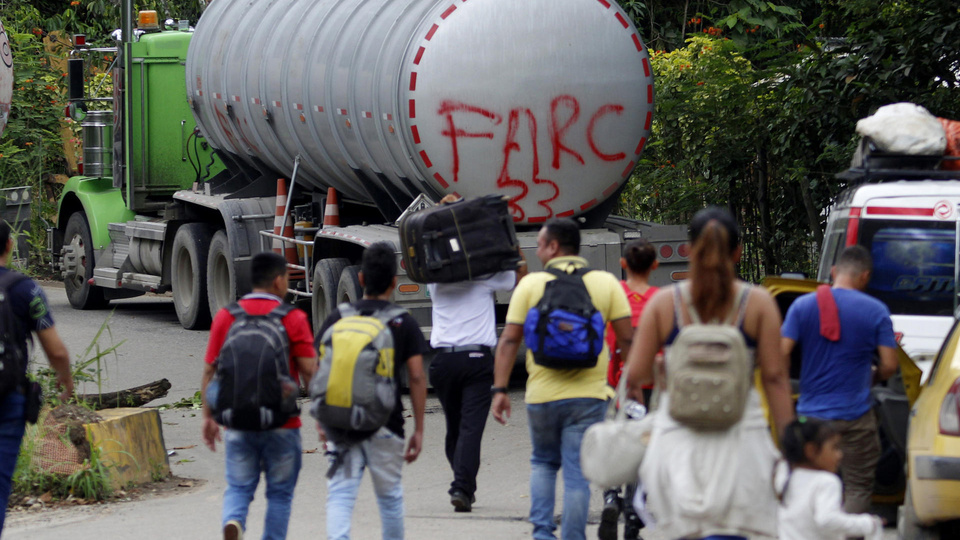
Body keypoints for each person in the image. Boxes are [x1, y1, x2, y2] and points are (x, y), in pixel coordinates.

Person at [623, 206, 794, 540]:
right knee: (735, 529)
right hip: (742, 436)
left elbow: (637, 374)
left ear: (689, 250)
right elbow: (775, 377)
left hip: (680, 438)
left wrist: (662, 370)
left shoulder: (665, 304)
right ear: (739, 251)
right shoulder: (757, 303)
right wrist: (790, 444)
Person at [491, 217, 634, 540]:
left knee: (542, 463)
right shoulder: (606, 283)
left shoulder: (529, 285)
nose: (538, 251)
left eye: (540, 244)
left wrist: (500, 389)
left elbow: (510, 340)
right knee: (577, 475)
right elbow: (628, 340)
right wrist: (633, 384)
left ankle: (542, 534)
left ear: (554, 247)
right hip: (590, 395)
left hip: (542, 395)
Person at [315, 242, 427, 540]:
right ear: (394, 282)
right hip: (386, 424)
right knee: (389, 499)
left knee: (340, 496)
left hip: (340, 424)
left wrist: (321, 419)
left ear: (361, 278)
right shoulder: (403, 322)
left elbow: (320, 369)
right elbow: (416, 377)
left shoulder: (338, 317)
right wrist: (418, 429)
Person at [201, 251, 317, 540]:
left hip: (237, 421)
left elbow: (209, 372)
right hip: (282, 423)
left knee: (239, 487)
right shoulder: (293, 317)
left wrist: (208, 417)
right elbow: (310, 372)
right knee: (279, 495)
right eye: (287, 279)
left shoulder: (227, 316)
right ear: (278, 281)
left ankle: (234, 520)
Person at [781, 245, 898, 514]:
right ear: (865, 277)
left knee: (808, 485)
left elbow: (780, 354)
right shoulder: (877, 311)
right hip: (856, 417)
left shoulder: (803, 305)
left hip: (812, 419)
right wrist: (874, 375)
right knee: (857, 486)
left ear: (833, 272)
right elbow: (891, 366)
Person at [428, 195, 526, 513]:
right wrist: (511, 240)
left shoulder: (435, 279)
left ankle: (462, 482)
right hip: (476, 361)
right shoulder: (485, 276)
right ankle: (462, 486)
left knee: (455, 427)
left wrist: (447, 213)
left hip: (442, 362)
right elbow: (520, 279)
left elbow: (435, 242)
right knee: (471, 428)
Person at [0, 220, 74, 536]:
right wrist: (65, 379)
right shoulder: (24, 289)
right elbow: (55, 351)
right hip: (7, 399)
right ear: (9, 246)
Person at [599, 239, 658, 540]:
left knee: (615, 441)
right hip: (648, 384)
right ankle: (634, 518)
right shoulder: (660, 299)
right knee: (640, 446)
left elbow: (608, 338)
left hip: (617, 381)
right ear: (655, 266)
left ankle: (611, 496)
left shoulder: (615, 294)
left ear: (623, 264)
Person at [778, 417, 884, 540]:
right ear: (811, 450)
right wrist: (868, 523)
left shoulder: (785, 476)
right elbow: (827, 520)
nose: (840, 455)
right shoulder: (826, 481)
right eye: (834, 448)